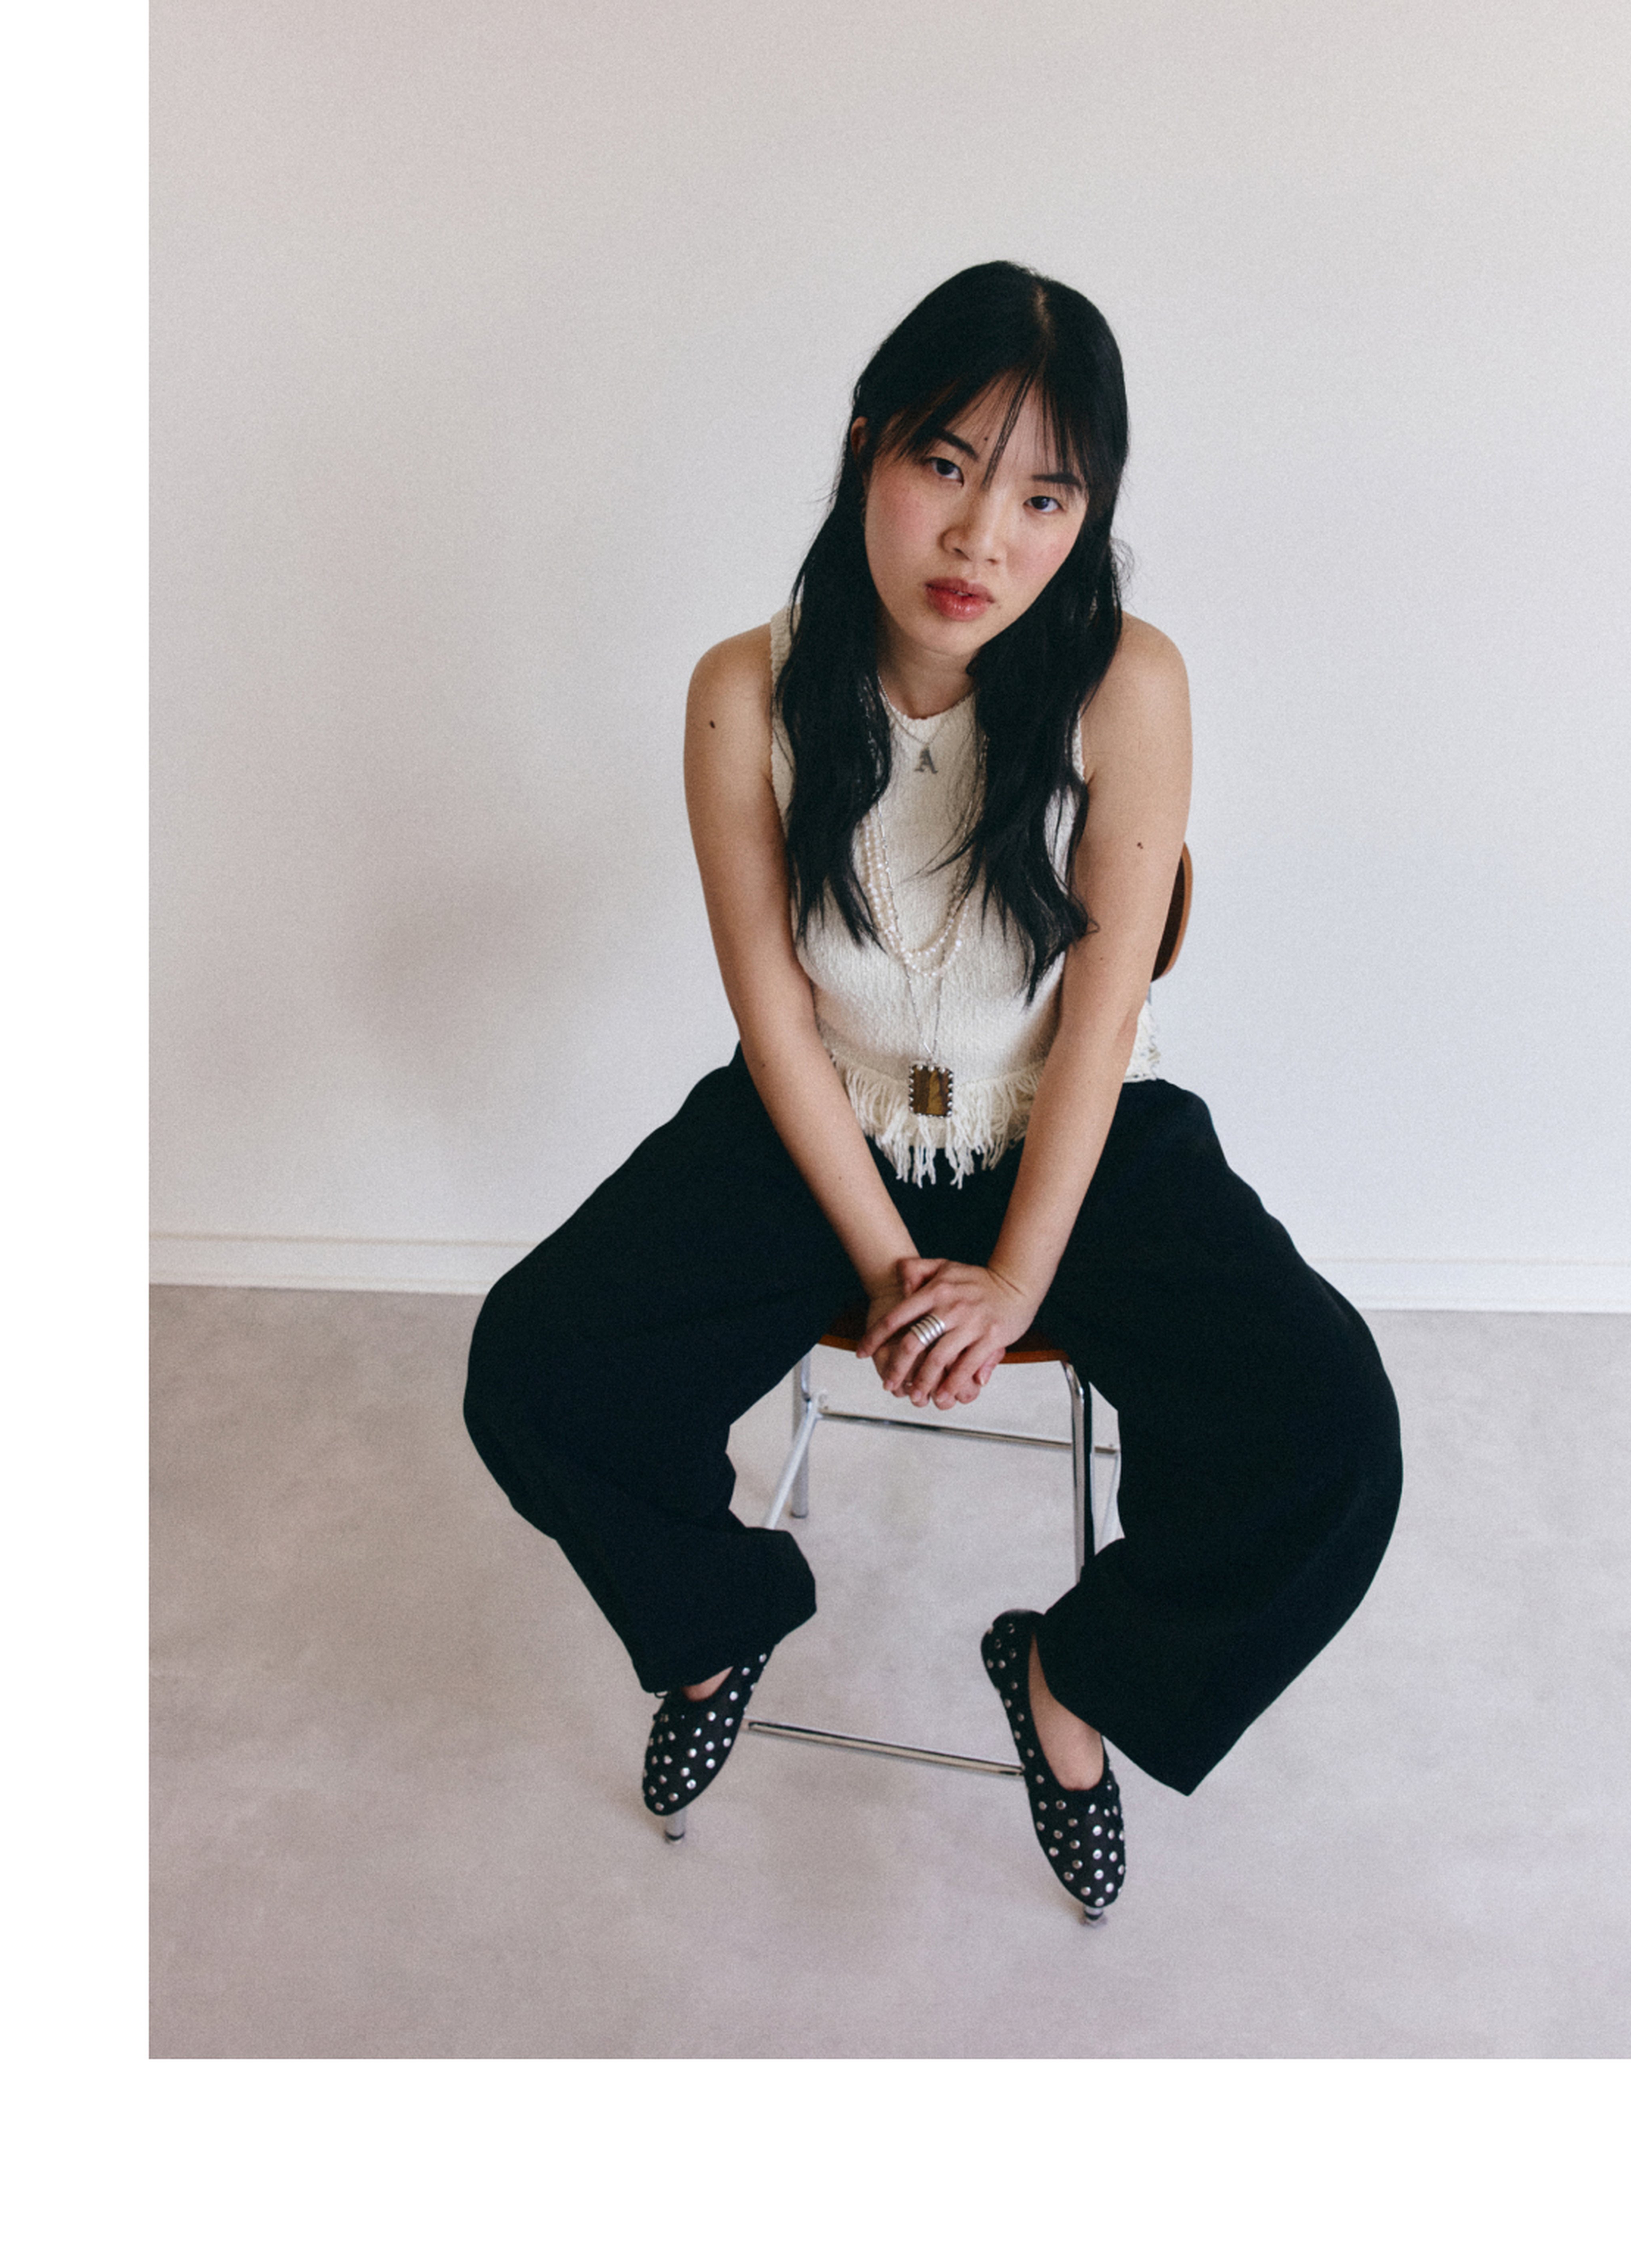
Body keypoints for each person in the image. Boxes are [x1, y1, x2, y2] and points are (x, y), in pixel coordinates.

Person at [462, 261, 1401, 1919]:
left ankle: (1070, 1678)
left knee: (1328, 1433)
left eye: (1044, 493)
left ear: (1088, 510)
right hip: (824, 1122)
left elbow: (1104, 1012)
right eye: (949, 465)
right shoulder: (745, 688)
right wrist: (896, 1257)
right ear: (865, 448)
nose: (985, 539)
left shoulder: (1131, 680)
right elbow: (770, 1008)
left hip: (1069, 1134)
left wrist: (1018, 1272)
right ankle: (720, 1619)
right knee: (536, 1363)